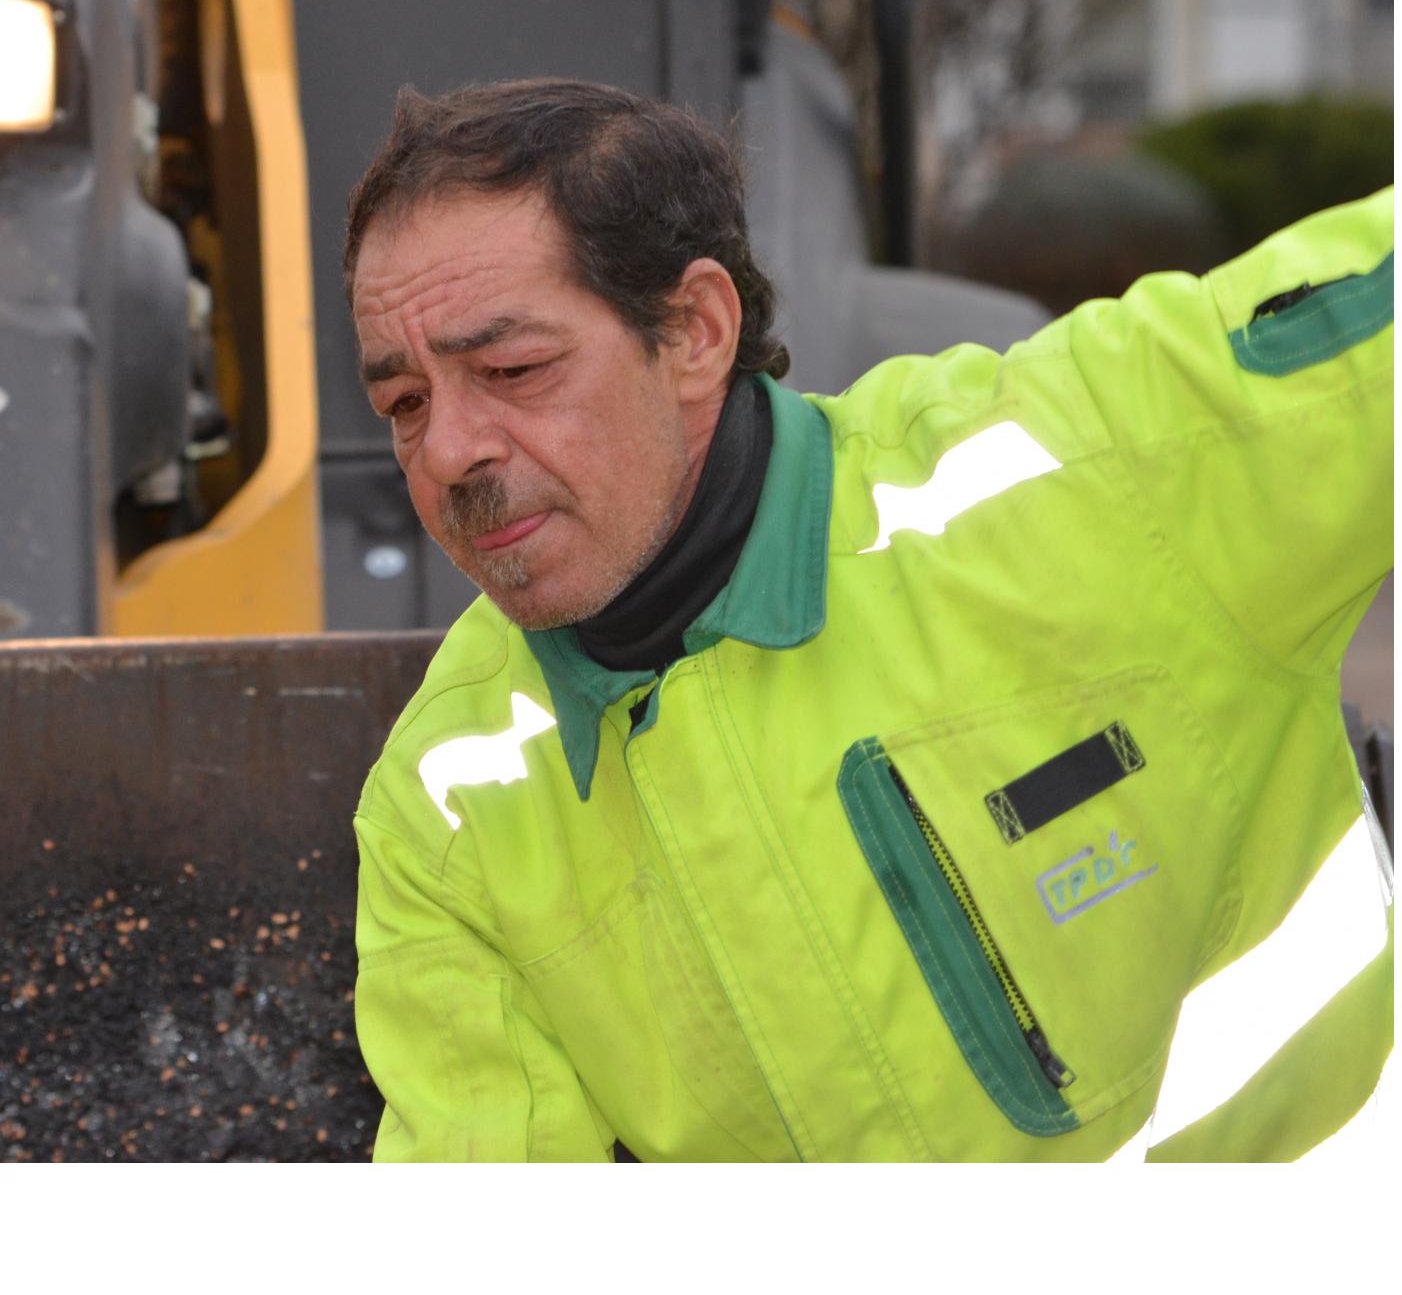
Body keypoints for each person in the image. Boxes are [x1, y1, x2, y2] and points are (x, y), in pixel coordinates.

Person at [344, 78, 1393, 1162]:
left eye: (511, 370)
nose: (449, 451)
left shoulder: (1085, 469)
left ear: (696, 330)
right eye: (404, 404)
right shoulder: (448, 808)